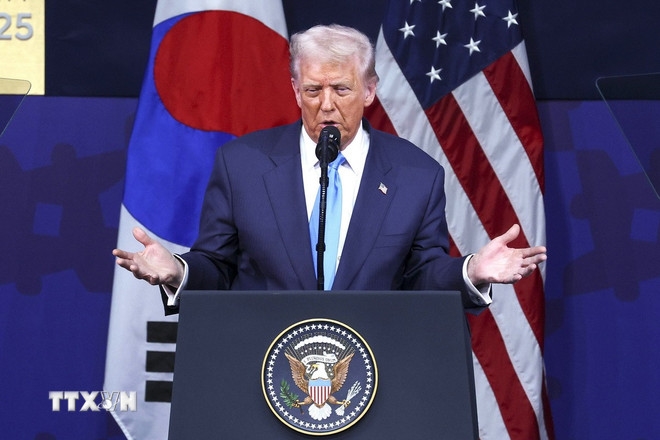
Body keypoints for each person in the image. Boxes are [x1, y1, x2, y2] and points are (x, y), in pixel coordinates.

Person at [113, 24, 546, 315]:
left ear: (369, 91)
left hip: (373, 369)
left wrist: (471, 271)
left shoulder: (416, 174)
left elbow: (422, 274)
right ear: (295, 90)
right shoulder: (241, 164)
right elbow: (217, 265)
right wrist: (178, 271)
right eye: (312, 89)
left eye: (341, 89)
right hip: (262, 363)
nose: (326, 104)